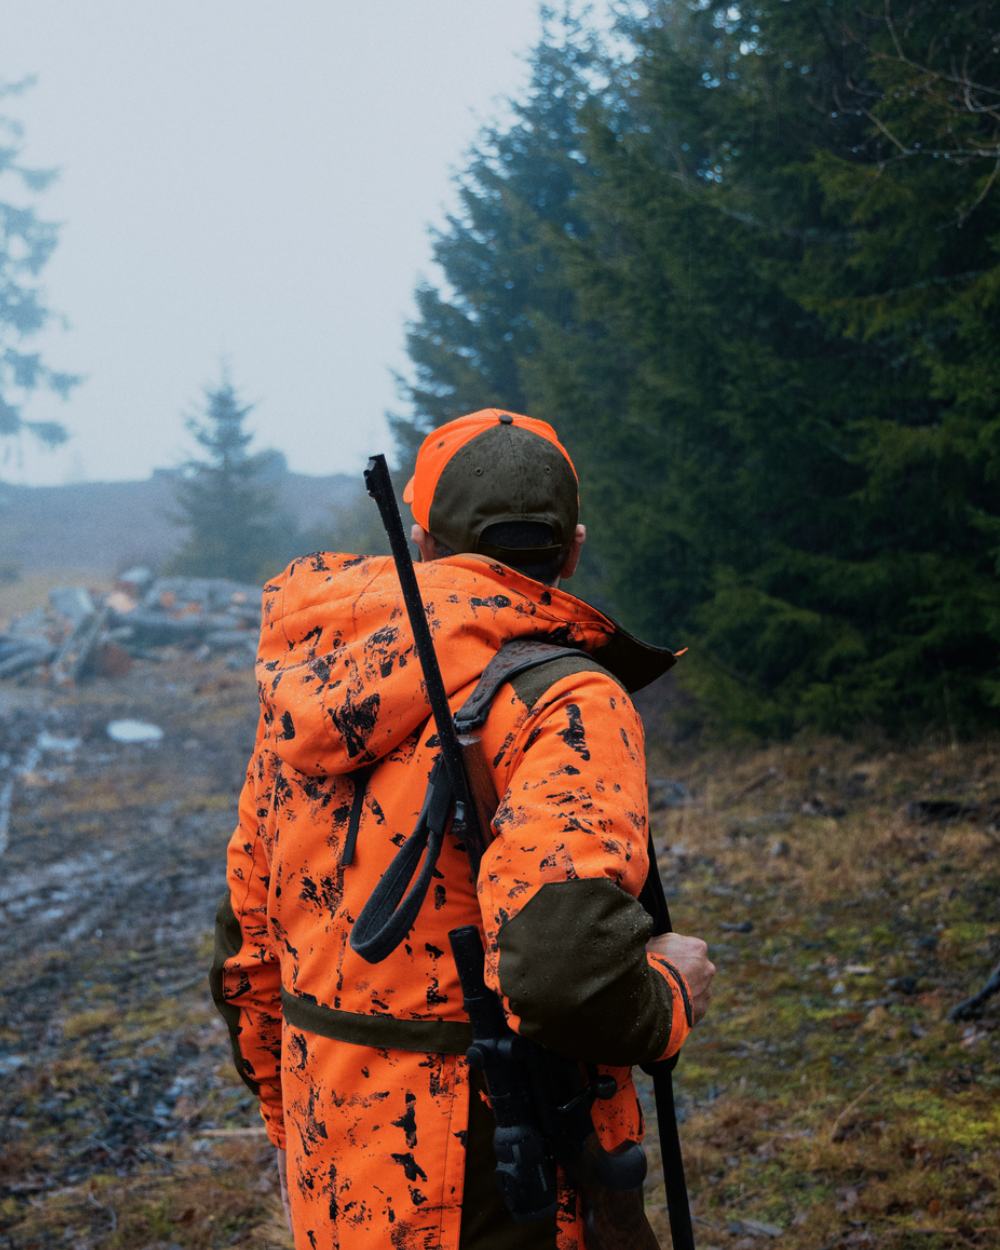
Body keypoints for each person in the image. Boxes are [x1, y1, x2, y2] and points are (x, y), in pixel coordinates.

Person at [210, 408, 716, 1250]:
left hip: (332, 1155)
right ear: (575, 547)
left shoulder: (306, 693)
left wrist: (291, 1114)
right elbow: (561, 970)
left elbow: (245, 951)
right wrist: (665, 1001)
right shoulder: (565, 699)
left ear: (420, 542)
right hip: (491, 1177)